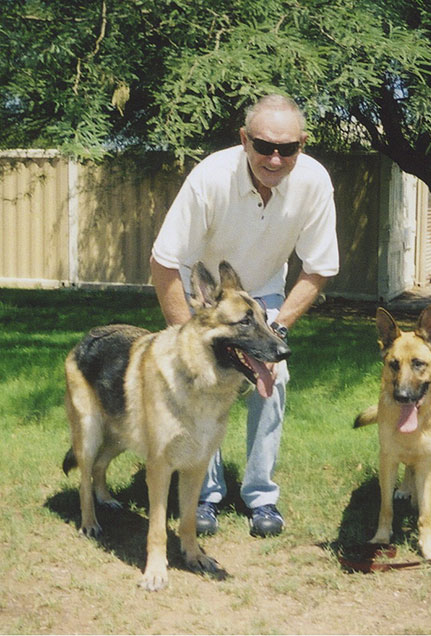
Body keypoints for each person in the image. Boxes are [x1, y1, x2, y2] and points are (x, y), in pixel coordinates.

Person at [149, 94, 339, 537]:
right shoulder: (210, 177)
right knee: (201, 381)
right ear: (243, 139)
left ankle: (261, 496)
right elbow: (163, 262)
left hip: (264, 296)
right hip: (208, 299)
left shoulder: (313, 181)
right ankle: (205, 496)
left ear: (302, 145)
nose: (274, 158)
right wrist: (186, 338)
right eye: (264, 145)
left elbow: (319, 267)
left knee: (274, 381)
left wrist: (277, 328)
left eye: (287, 148)